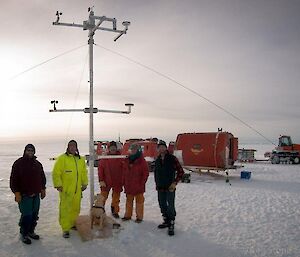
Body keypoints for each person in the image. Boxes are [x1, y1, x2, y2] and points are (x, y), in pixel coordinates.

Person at [10, 144, 46, 245]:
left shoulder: (38, 164)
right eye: (28, 150)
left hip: (36, 195)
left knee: (34, 215)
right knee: (27, 216)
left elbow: (42, 178)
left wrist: (43, 189)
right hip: (24, 195)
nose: (30, 152)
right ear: (25, 151)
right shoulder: (18, 164)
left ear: (34, 152)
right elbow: (14, 180)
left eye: (32, 151)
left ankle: (31, 231)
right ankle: (24, 233)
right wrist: (16, 192)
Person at [52, 140, 88, 238]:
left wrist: (85, 183)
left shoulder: (80, 159)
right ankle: (65, 228)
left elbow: (84, 172)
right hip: (66, 190)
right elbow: (56, 173)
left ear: (76, 147)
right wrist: (58, 184)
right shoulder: (62, 159)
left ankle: (73, 224)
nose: (72, 148)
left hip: (77, 190)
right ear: (68, 147)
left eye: (74, 146)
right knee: (65, 209)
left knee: (76, 208)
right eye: (70, 146)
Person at [154, 140, 184, 236]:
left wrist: (175, 183)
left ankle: (171, 222)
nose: (161, 149)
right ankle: (166, 220)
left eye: (163, 147)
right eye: (159, 147)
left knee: (170, 205)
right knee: (162, 204)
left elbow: (181, 172)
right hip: (160, 187)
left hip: (170, 187)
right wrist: (157, 183)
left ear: (166, 148)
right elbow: (156, 173)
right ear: (158, 149)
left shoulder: (172, 158)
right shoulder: (157, 159)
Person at [122, 143, 149, 223]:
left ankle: (139, 217)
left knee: (139, 202)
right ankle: (127, 215)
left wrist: (142, 183)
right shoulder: (127, 160)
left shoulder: (142, 161)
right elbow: (124, 172)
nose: (133, 151)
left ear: (138, 150)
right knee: (129, 202)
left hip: (138, 186)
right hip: (129, 185)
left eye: (134, 149)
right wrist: (124, 182)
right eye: (131, 149)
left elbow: (145, 173)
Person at [98, 141, 123, 218]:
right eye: (111, 148)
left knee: (116, 198)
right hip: (106, 181)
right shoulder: (104, 158)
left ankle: (115, 211)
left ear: (116, 148)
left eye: (114, 148)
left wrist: (123, 180)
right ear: (109, 149)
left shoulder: (121, 157)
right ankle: (100, 211)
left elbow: (124, 169)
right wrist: (101, 180)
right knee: (103, 198)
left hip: (117, 181)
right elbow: (100, 170)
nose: (113, 149)